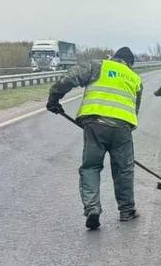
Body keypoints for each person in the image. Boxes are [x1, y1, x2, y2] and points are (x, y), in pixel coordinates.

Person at [47, 47, 143, 230]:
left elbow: (70, 78)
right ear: (130, 64)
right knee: (124, 169)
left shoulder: (98, 66)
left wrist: (54, 97)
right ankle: (127, 210)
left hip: (94, 124)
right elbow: (134, 110)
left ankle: (92, 208)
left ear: (114, 58)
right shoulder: (135, 78)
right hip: (122, 127)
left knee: (91, 167)